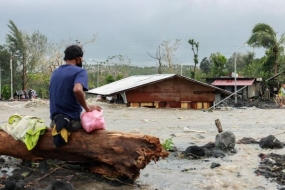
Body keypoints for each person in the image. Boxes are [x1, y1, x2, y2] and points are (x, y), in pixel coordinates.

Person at [49, 45, 101, 131]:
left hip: (55, 122)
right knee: (95, 124)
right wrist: (87, 108)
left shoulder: (56, 72)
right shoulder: (80, 71)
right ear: (79, 59)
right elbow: (77, 89)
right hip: (72, 122)